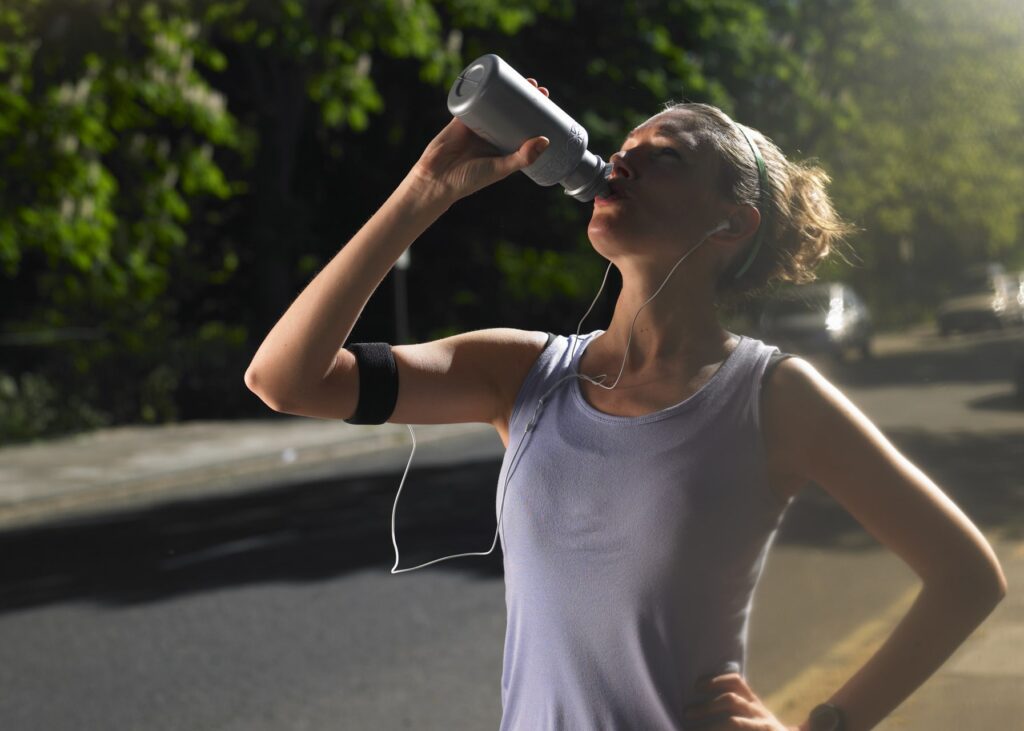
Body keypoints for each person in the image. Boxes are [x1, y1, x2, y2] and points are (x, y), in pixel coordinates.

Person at [244, 79, 1007, 731]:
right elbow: (285, 379)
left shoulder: (771, 396)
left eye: (664, 156)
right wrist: (425, 188)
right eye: (624, 149)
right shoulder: (522, 373)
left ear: (731, 221)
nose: (621, 162)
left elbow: (968, 575)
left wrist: (825, 726)